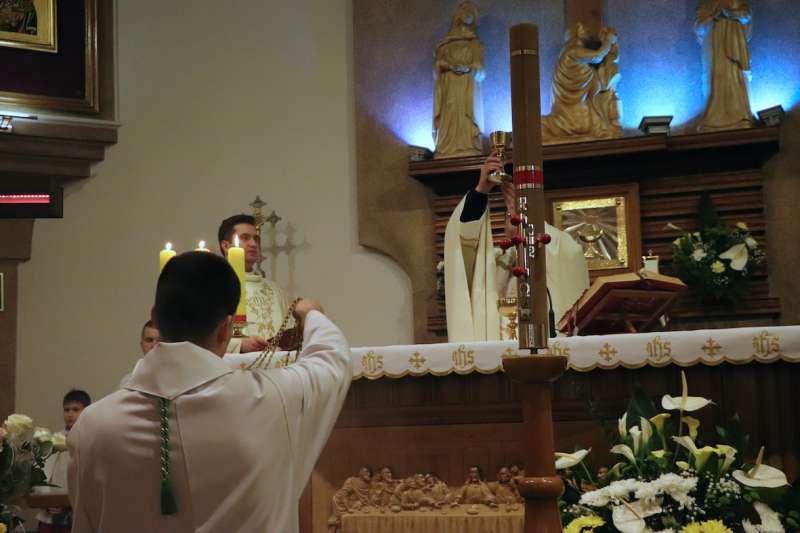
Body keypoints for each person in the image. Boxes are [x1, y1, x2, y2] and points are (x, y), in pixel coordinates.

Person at [68, 252, 351, 532]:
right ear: (226, 329)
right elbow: (332, 362)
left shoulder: (91, 428)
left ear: (154, 317)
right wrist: (312, 314)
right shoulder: (274, 400)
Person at [443, 154, 589, 341]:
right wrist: (481, 191)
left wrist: (528, 220)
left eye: (517, 216)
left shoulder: (556, 246)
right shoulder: (497, 262)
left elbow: (571, 255)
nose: (513, 219)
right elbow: (464, 240)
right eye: (509, 215)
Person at [218, 213, 291, 353]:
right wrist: (238, 345)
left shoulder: (275, 290)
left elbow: (288, 333)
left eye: (256, 239)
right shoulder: (214, 286)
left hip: (275, 363)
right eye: (245, 238)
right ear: (226, 246)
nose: (253, 244)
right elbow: (200, 335)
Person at [35, 389, 91, 533]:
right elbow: (44, 472)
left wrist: (67, 503)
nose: (70, 414)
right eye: (66, 410)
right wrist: (48, 501)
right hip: (50, 511)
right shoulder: (53, 439)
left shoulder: (91, 440)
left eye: (75, 409)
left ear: (87, 411)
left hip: (78, 512)